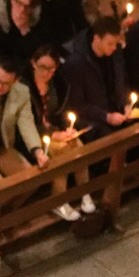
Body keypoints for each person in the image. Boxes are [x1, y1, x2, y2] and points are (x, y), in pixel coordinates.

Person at [28, 45, 93, 220]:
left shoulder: (58, 84)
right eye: (42, 67)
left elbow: (61, 112)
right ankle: (58, 200)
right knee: (63, 151)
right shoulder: (25, 87)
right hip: (35, 135)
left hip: (55, 130)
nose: (46, 73)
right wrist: (52, 135)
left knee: (77, 145)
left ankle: (84, 192)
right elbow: (27, 122)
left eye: (51, 69)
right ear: (33, 63)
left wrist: (67, 129)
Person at [60, 17, 129, 142]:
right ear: (96, 38)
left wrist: (126, 104)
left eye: (116, 43)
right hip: (93, 121)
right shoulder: (76, 64)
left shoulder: (115, 53)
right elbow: (77, 105)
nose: (114, 47)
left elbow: (122, 80)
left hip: (116, 112)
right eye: (110, 43)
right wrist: (106, 116)